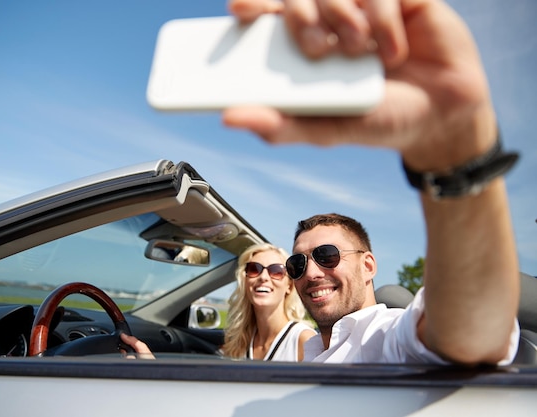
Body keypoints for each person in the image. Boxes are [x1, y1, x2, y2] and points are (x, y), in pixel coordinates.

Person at [220, 0, 521, 366]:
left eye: (327, 256)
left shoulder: (385, 338)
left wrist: (455, 150)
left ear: (368, 266)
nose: (311, 273)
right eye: (297, 264)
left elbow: (473, 333)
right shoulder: (312, 351)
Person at [221, 243, 316, 361]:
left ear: (289, 286)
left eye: (276, 271)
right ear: (245, 282)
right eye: (254, 269)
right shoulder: (236, 342)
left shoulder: (303, 340)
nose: (263, 277)